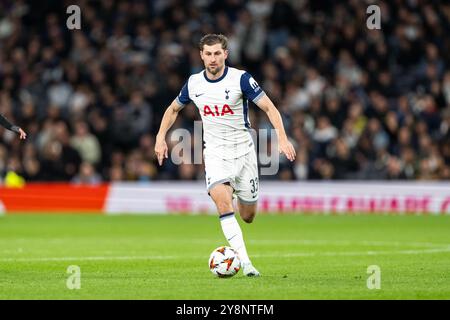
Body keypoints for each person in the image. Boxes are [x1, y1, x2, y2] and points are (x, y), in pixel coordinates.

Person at [154, 34, 296, 277]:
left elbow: (269, 107)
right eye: (208, 54)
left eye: (217, 53)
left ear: (225, 54)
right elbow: (173, 108)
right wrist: (160, 137)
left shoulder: (240, 79)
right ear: (201, 55)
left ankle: (243, 208)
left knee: (248, 216)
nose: (212, 58)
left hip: (244, 154)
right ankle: (246, 264)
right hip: (216, 154)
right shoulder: (194, 83)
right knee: (223, 203)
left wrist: (282, 137)